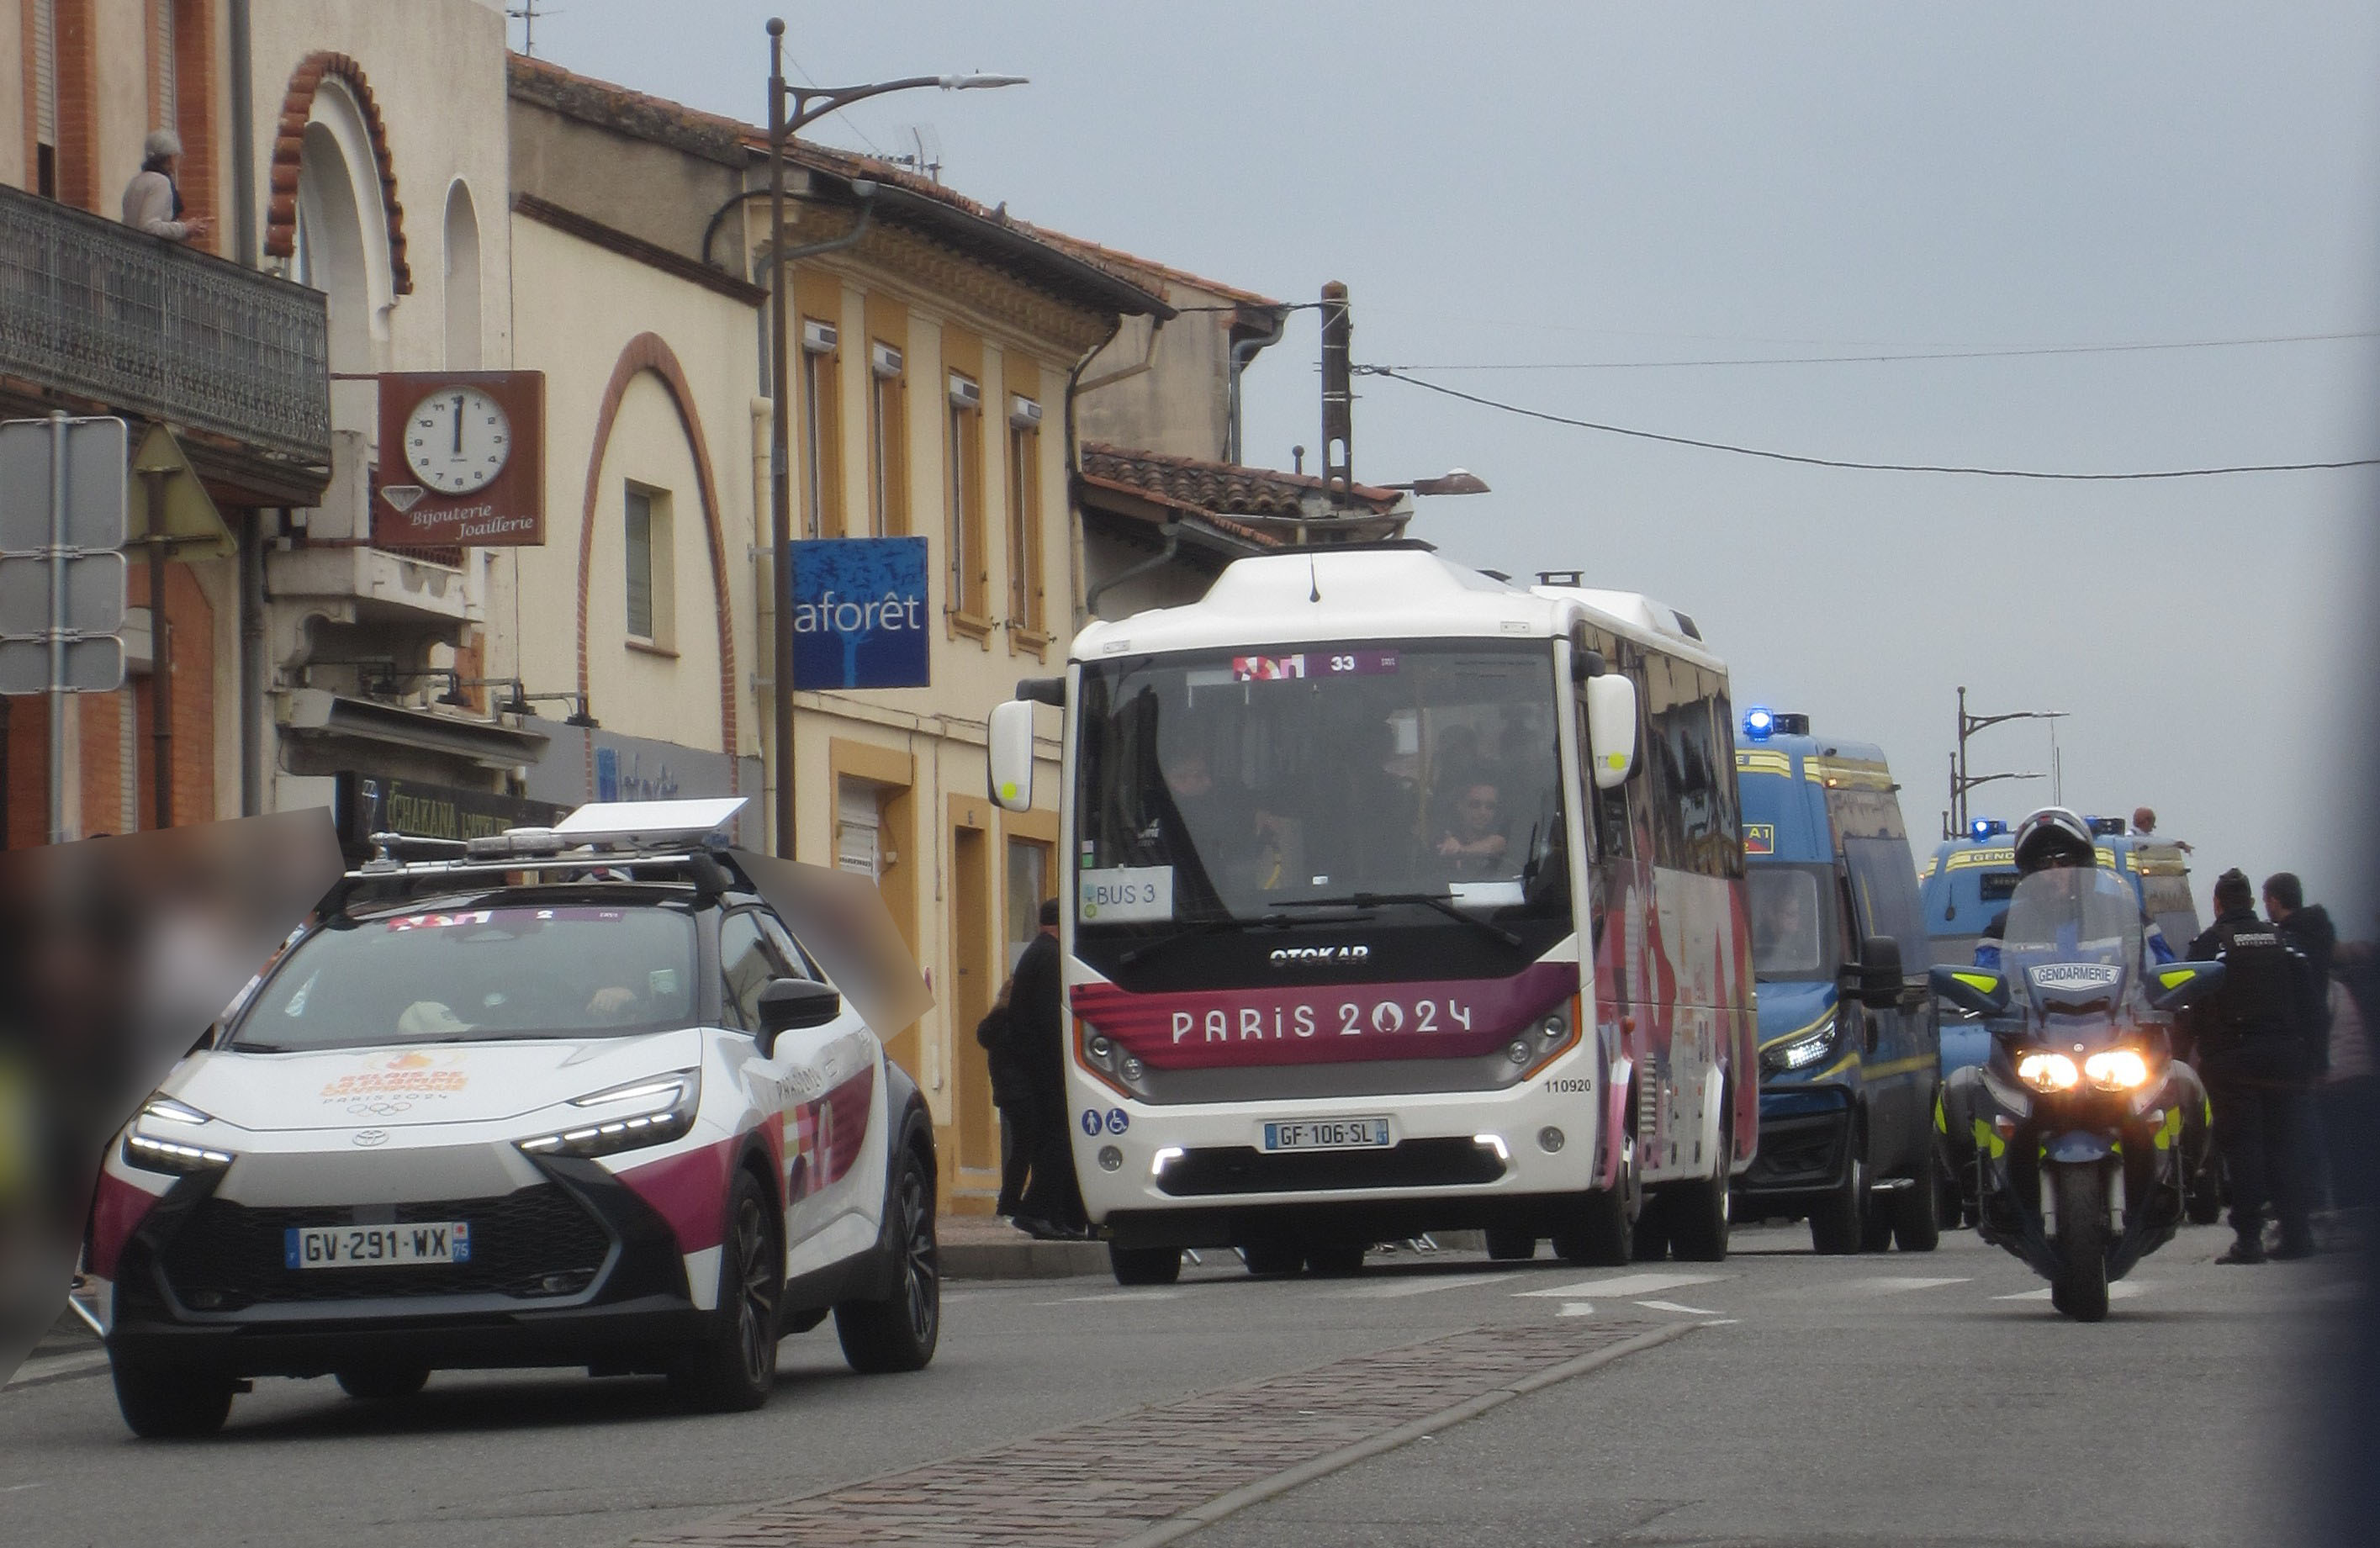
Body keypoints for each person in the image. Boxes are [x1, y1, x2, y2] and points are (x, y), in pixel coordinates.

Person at [2189, 868, 2318, 1263]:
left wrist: (2198, 1052)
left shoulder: (2212, 944)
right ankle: (2297, 1235)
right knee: (2285, 1145)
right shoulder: (2284, 941)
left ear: (2218, 903)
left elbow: (2190, 1001)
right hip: (2285, 1056)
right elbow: (2310, 1002)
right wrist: (2313, 1056)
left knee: (2243, 1147)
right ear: (2250, 902)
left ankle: (2248, 1240)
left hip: (2234, 1059)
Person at [1008, 897, 1087, 1239]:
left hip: (1033, 1069)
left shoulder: (1036, 953)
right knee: (1059, 1140)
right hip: (1047, 1070)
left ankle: (1058, 1216)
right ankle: (1036, 1209)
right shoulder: (1050, 958)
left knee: (1051, 1142)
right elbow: (1050, 1020)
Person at [974, 975, 1034, 1220]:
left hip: (1007, 1093)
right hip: (1021, 1091)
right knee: (1026, 1148)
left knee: (1021, 1148)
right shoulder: (1012, 1023)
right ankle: (1011, 1201)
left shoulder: (995, 1023)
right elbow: (1023, 1055)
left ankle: (1010, 1200)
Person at [121, 130, 212, 244]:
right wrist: (185, 228)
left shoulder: (136, 181)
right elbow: (149, 227)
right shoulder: (160, 182)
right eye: (177, 157)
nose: (178, 161)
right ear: (170, 158)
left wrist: (187, 231)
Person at [1434, 780, 1510, 875]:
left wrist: (1461, 851)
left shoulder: (1501, 837)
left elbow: (1497, 844)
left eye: (1490, 807)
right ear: (1460, 806)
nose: (1483, 812)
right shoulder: (1443, 838)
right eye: (1475, 805)